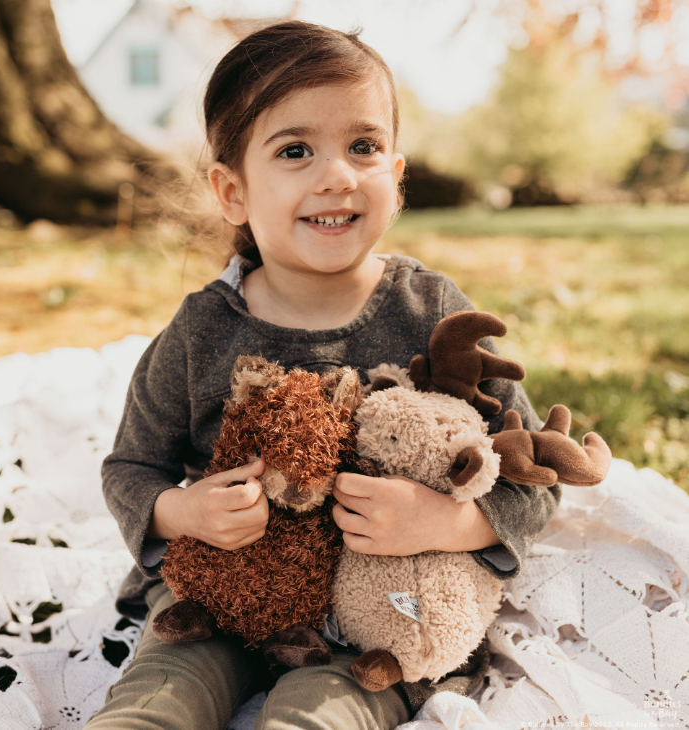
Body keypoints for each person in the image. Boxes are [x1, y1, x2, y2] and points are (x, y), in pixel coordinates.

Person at [84, 19, 561, 730]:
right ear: (232, 191)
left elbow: (534, 472)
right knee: (161, 700)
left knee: (316, 716)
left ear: (394, 178)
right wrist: (179, 513)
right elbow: (131, 465)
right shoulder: (200, 332)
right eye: (296, 150)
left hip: (378, 621)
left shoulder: (431, 312)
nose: (337, 174)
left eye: (363, 147)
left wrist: (454, 521)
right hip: (220, 598)